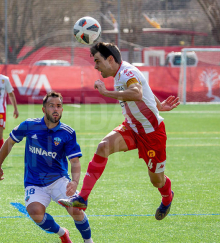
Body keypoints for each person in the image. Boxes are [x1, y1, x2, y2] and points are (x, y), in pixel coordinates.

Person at [59, 42, 180, 220]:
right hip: (131, 128)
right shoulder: (121, 72)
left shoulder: (125, 73)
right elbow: (143, 87)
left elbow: (137, 93)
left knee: (157, 181)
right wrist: (158, 104)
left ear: (110, 59)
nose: (96, 66)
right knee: (103, 147)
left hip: (152, 134)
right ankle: (82, 198)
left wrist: (106, 93)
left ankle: (167, 197)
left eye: (98, 61)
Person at [0, 91, 95, 243]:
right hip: (34, 182)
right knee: (35, 213)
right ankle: (62, 233)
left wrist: (74, 181)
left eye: (59, 106)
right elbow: (9, 142)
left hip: (59, 179)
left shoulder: (67, 133)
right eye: (51, 106)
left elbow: (74, 161)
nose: (56, 109)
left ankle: (89, 242)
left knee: (76, 209)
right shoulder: (29, 125)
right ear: (43, 109)